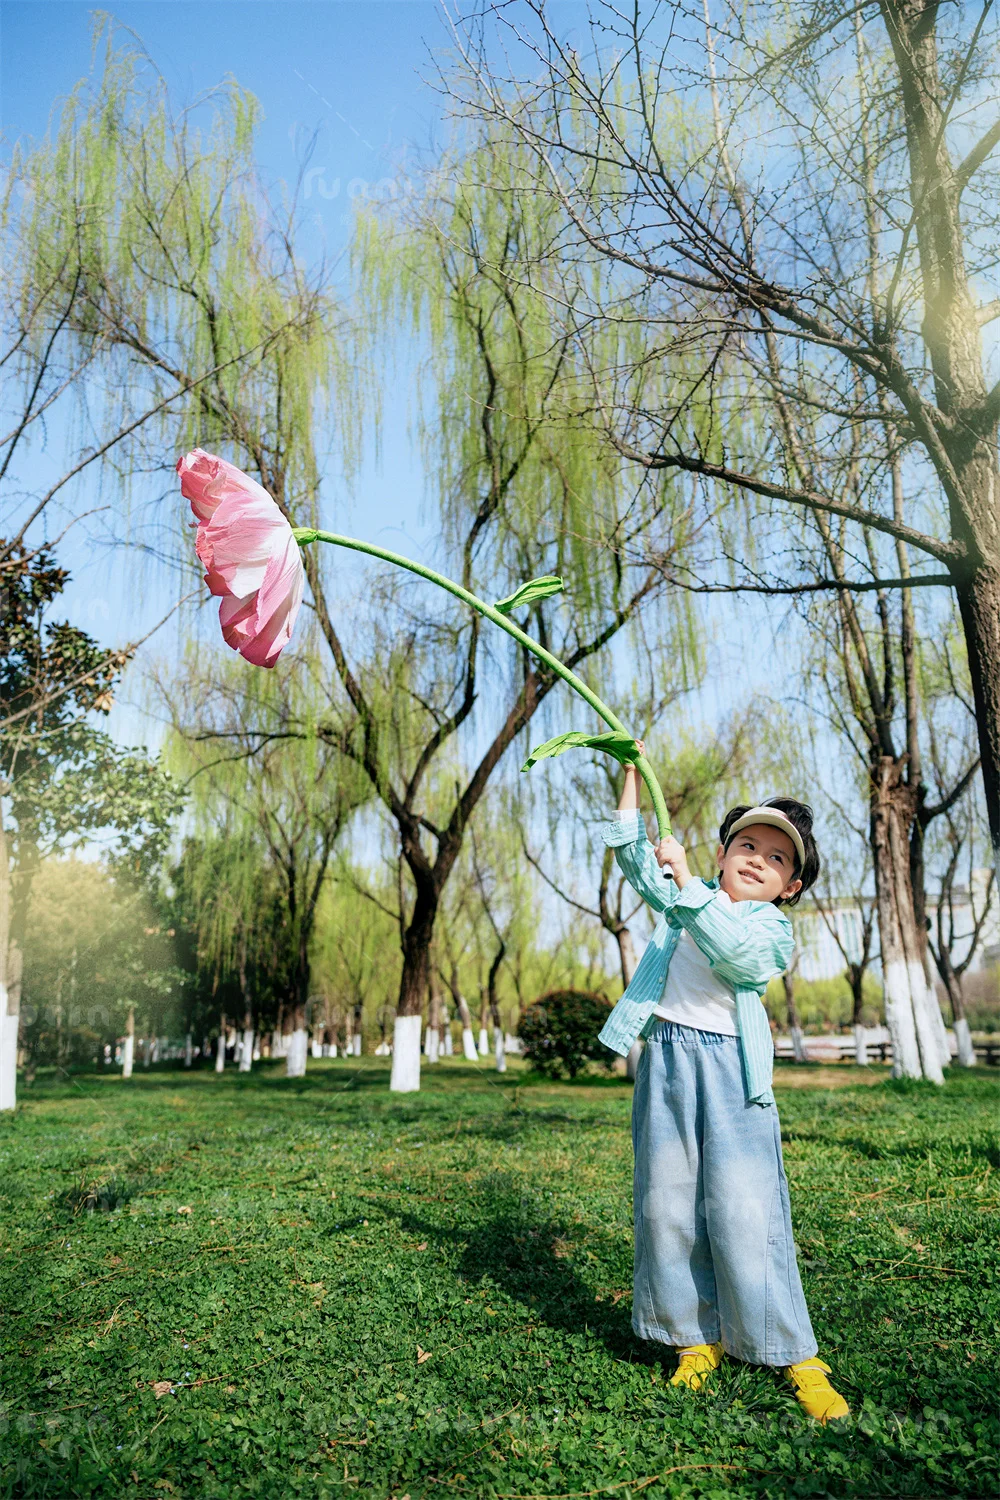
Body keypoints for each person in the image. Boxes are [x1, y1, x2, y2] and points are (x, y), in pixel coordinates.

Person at [597, 746, 849, 1424]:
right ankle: (693, 1339)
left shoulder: (769, 928)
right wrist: (630, 775)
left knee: (746, 1211)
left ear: (789, 886)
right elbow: (630, 857)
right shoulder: (689, 897)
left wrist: (686, 886)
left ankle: (794, 1352)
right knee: (666, 1205)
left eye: (775, 857)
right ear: (722, 852)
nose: (755, 857)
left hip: (732, 1070)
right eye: (746, 843)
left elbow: (737, 960)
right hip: (669, 1063)